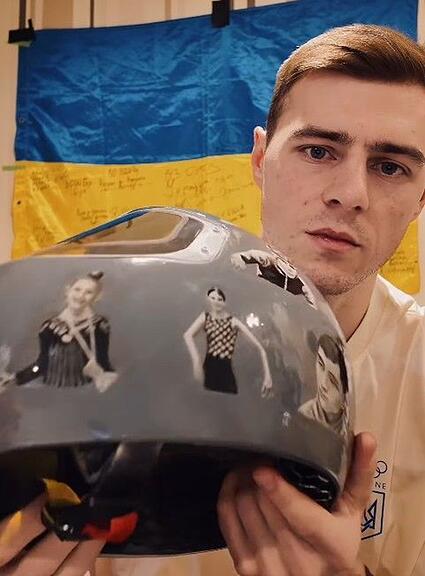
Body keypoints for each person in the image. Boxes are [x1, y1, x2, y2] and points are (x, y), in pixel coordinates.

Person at [2, 21, 425, 576]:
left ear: (421, 198)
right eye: (318, 151)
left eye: (391, 167)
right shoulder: (117, 334)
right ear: (260, 160)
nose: (350, 194)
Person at [1, 271, 117, 393]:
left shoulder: (99, 325)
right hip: (52, 390)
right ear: (68, 291)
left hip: (84, 389)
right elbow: (42, 364)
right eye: (77, 289)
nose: (81, 296)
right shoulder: (49, 327)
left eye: (88, 292)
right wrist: (16, 378)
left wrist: (108, 380)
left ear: (97, 297)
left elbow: (102, 360)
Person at [184, 287, 273, 397]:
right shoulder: (205, 317)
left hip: (226, 372)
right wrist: (196, 360)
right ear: (207, 300)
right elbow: (188, 335)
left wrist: (268, 376)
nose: (216, 302)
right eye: (212, 298)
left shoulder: (233, 322)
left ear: (225, 302)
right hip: (208, 370)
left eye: (220, 299)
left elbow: (260, 348)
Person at [298, 332, 349, 437]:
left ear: (345, 396)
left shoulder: (347, 428)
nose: (323, 384)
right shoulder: (304, 418)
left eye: (333, 380)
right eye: (321, 364)